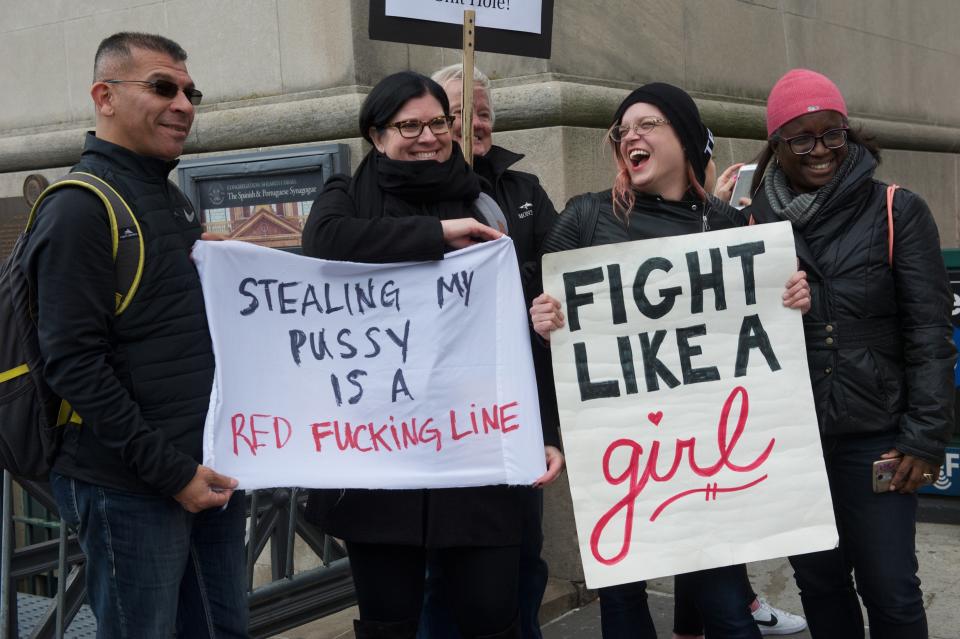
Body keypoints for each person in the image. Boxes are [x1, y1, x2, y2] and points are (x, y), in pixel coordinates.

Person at [528, 82, 810, 639]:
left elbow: (759, 335)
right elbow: (554, 339)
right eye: (622, 129)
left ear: (683, 138)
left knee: (727, 605)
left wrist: (795, 300)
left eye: (648, 124)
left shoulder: (727, 228)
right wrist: (542, 324)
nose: (631, 134)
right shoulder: (584, 218)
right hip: (619, 452)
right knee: (623, 604)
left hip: (705, 453)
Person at [301, 70, 565, 639]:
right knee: (389, 621)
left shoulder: (487, 199)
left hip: (478, 452)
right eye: (409, 125)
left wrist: (545, 428)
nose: (428, 136)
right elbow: (325, 244)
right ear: (376, 134)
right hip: (381, 460)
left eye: (438, 122)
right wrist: (437, 234)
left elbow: (523, 333)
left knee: (491, 615)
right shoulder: (346, 196)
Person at [20, 32, 248, 637]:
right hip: (133, 486)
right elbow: (73, 363)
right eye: (163, 87)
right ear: (105, 96)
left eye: (190, 91)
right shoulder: (79, 208)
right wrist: (172, 474)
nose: (184, 104)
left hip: (206, 471)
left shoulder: (167, 198)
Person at [746, 68, 954, 639]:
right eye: (802, 138)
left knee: (891, 588)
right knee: (820, 585)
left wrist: (923, 438)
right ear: (776, 145)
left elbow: (930, 334)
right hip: (792, 445)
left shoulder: (896, 209)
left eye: (832, 134)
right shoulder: (748, 223)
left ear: (850, 134)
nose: (820, 151)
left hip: (879, 439)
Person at [413, 63, 560, 639]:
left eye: (482, 113)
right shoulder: (411, 194)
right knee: (443, 569)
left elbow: (564, 261)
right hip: (442, 418)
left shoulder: (523, 191)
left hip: (513, 409)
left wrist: (543, 302)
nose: (473, 123)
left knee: (525, 555)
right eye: (456, 114)